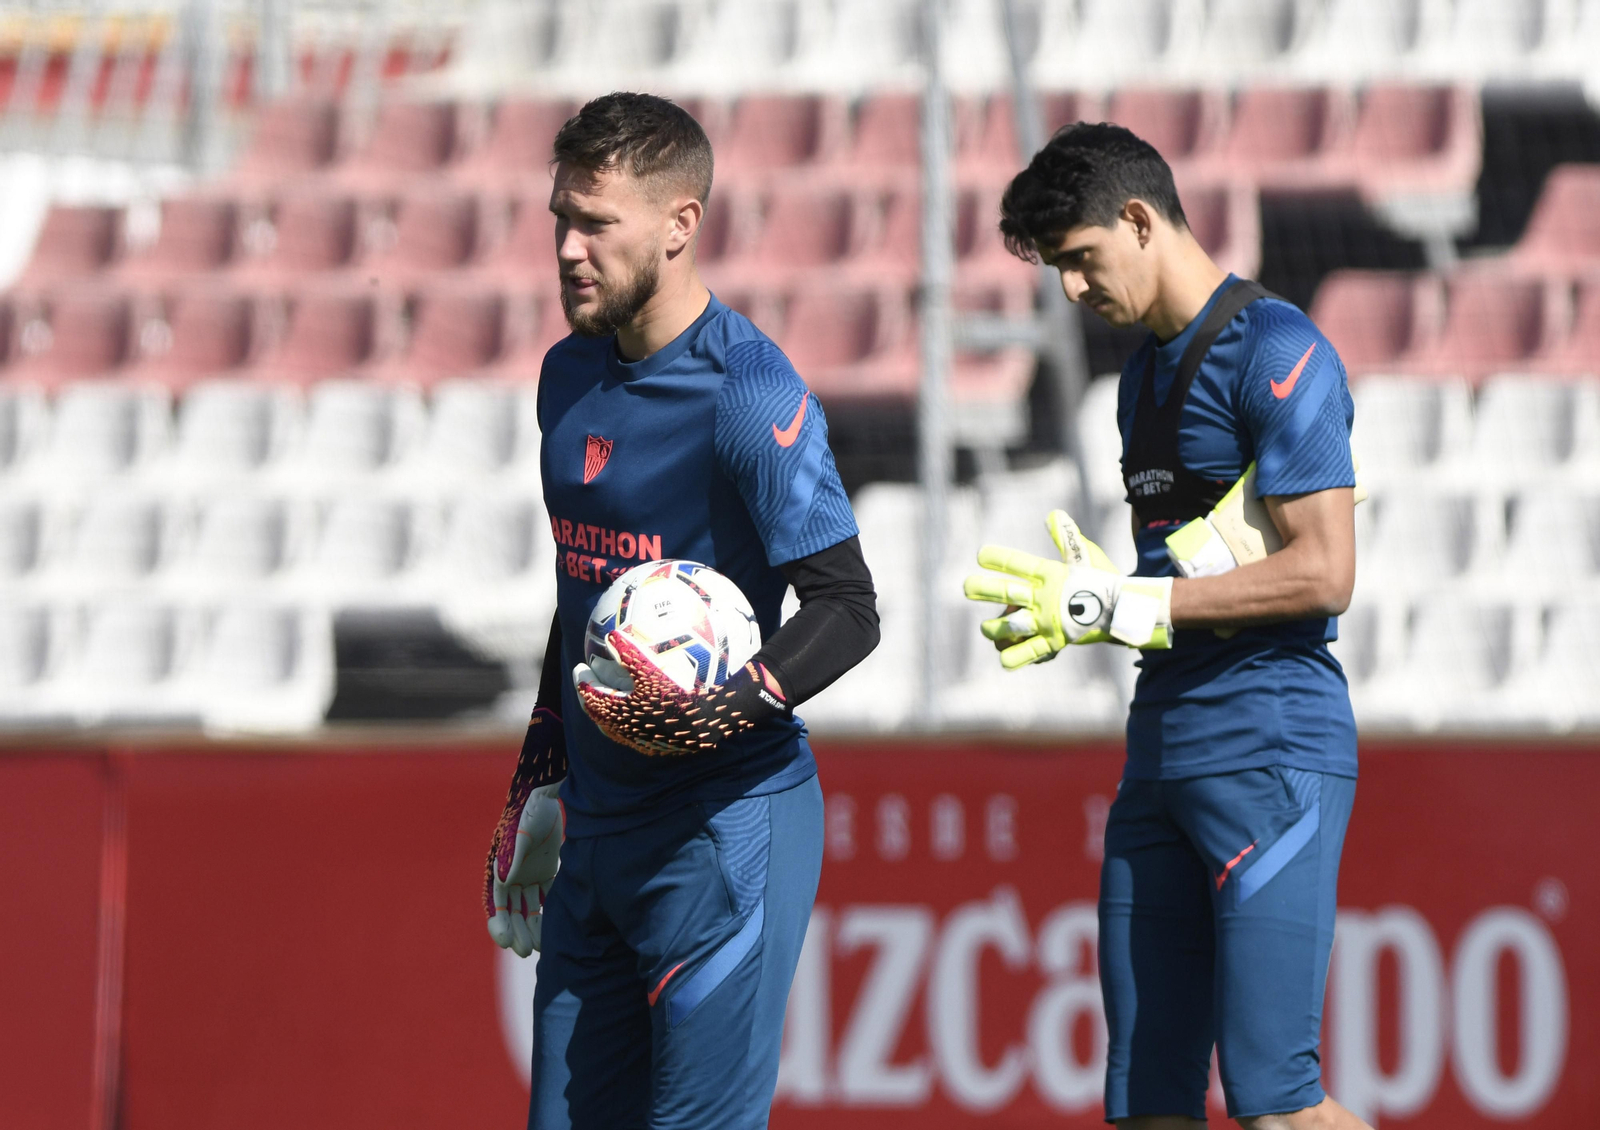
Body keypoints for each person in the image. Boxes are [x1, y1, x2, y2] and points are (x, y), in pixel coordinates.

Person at [480, 93, 879, 1129]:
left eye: (596, 224)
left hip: (723, 829)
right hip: (596, 836)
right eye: (559, 218)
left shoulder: (746, 389)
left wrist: (712, 713)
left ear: (678, 224)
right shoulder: (566, 375)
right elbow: (584, 597)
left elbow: (846, 608)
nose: (568, 248)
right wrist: (540, 765)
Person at [964, 122, 1369, 1130]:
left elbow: (1324, 572)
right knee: (1145, 1107)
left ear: (1139, 220)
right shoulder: (1140, 378)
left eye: (1080, 260)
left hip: (1269, 743)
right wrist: (1105, 604)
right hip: (1160, 754)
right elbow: (1177, 573)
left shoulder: (1277, 350)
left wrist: (1128, 603)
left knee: (1277, 1103)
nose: (1070, 290)